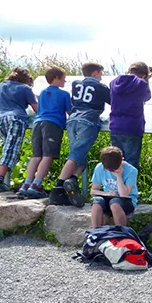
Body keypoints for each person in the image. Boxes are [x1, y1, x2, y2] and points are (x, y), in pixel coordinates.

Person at [51, 62, 111, 207]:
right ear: (95, 73)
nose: (101, 78)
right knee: (76, 155)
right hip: (88, 120)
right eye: (101, 74)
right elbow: (113, 102)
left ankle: (71, 180)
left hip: (72, 120)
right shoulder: (101, 87)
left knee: (80, 156)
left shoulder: (76, 84)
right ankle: (58, 188)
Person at [0, 67, 38, 193]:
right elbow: (36, 109)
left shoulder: (3, 85)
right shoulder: (26, 88)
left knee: (10, 150)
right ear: (28, 79)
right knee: (11, 150)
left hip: (0, 120)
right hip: (16, 119)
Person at [19, 67, 72, 199]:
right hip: (52, 124)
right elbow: (70, 111)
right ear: (57, 78)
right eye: (63, 78)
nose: (65, 81)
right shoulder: (64, 94)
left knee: (36, 155)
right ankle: (37, 184)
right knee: (48, 155)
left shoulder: (42, 92)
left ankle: (27, 184)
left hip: (38, 123)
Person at [109, 61, 151, 169]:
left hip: (115, 126)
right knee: (131, 165)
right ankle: (129, 186)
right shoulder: (141, 84)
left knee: (116, 163)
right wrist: (146, 81)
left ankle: (116, 185)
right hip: (132, 128)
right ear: (144, 75)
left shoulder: (114, 82)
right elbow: (147, 97)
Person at [89, 146, 138, 228]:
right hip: (108, 197)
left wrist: (119, 176)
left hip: (126, 201)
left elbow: (124, 195)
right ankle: (95, 232)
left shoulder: (131, 171)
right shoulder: (99, 168)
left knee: (115, 203)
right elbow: (93, 191)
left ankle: (121, 231)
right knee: (97, 201)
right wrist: (106, 193)